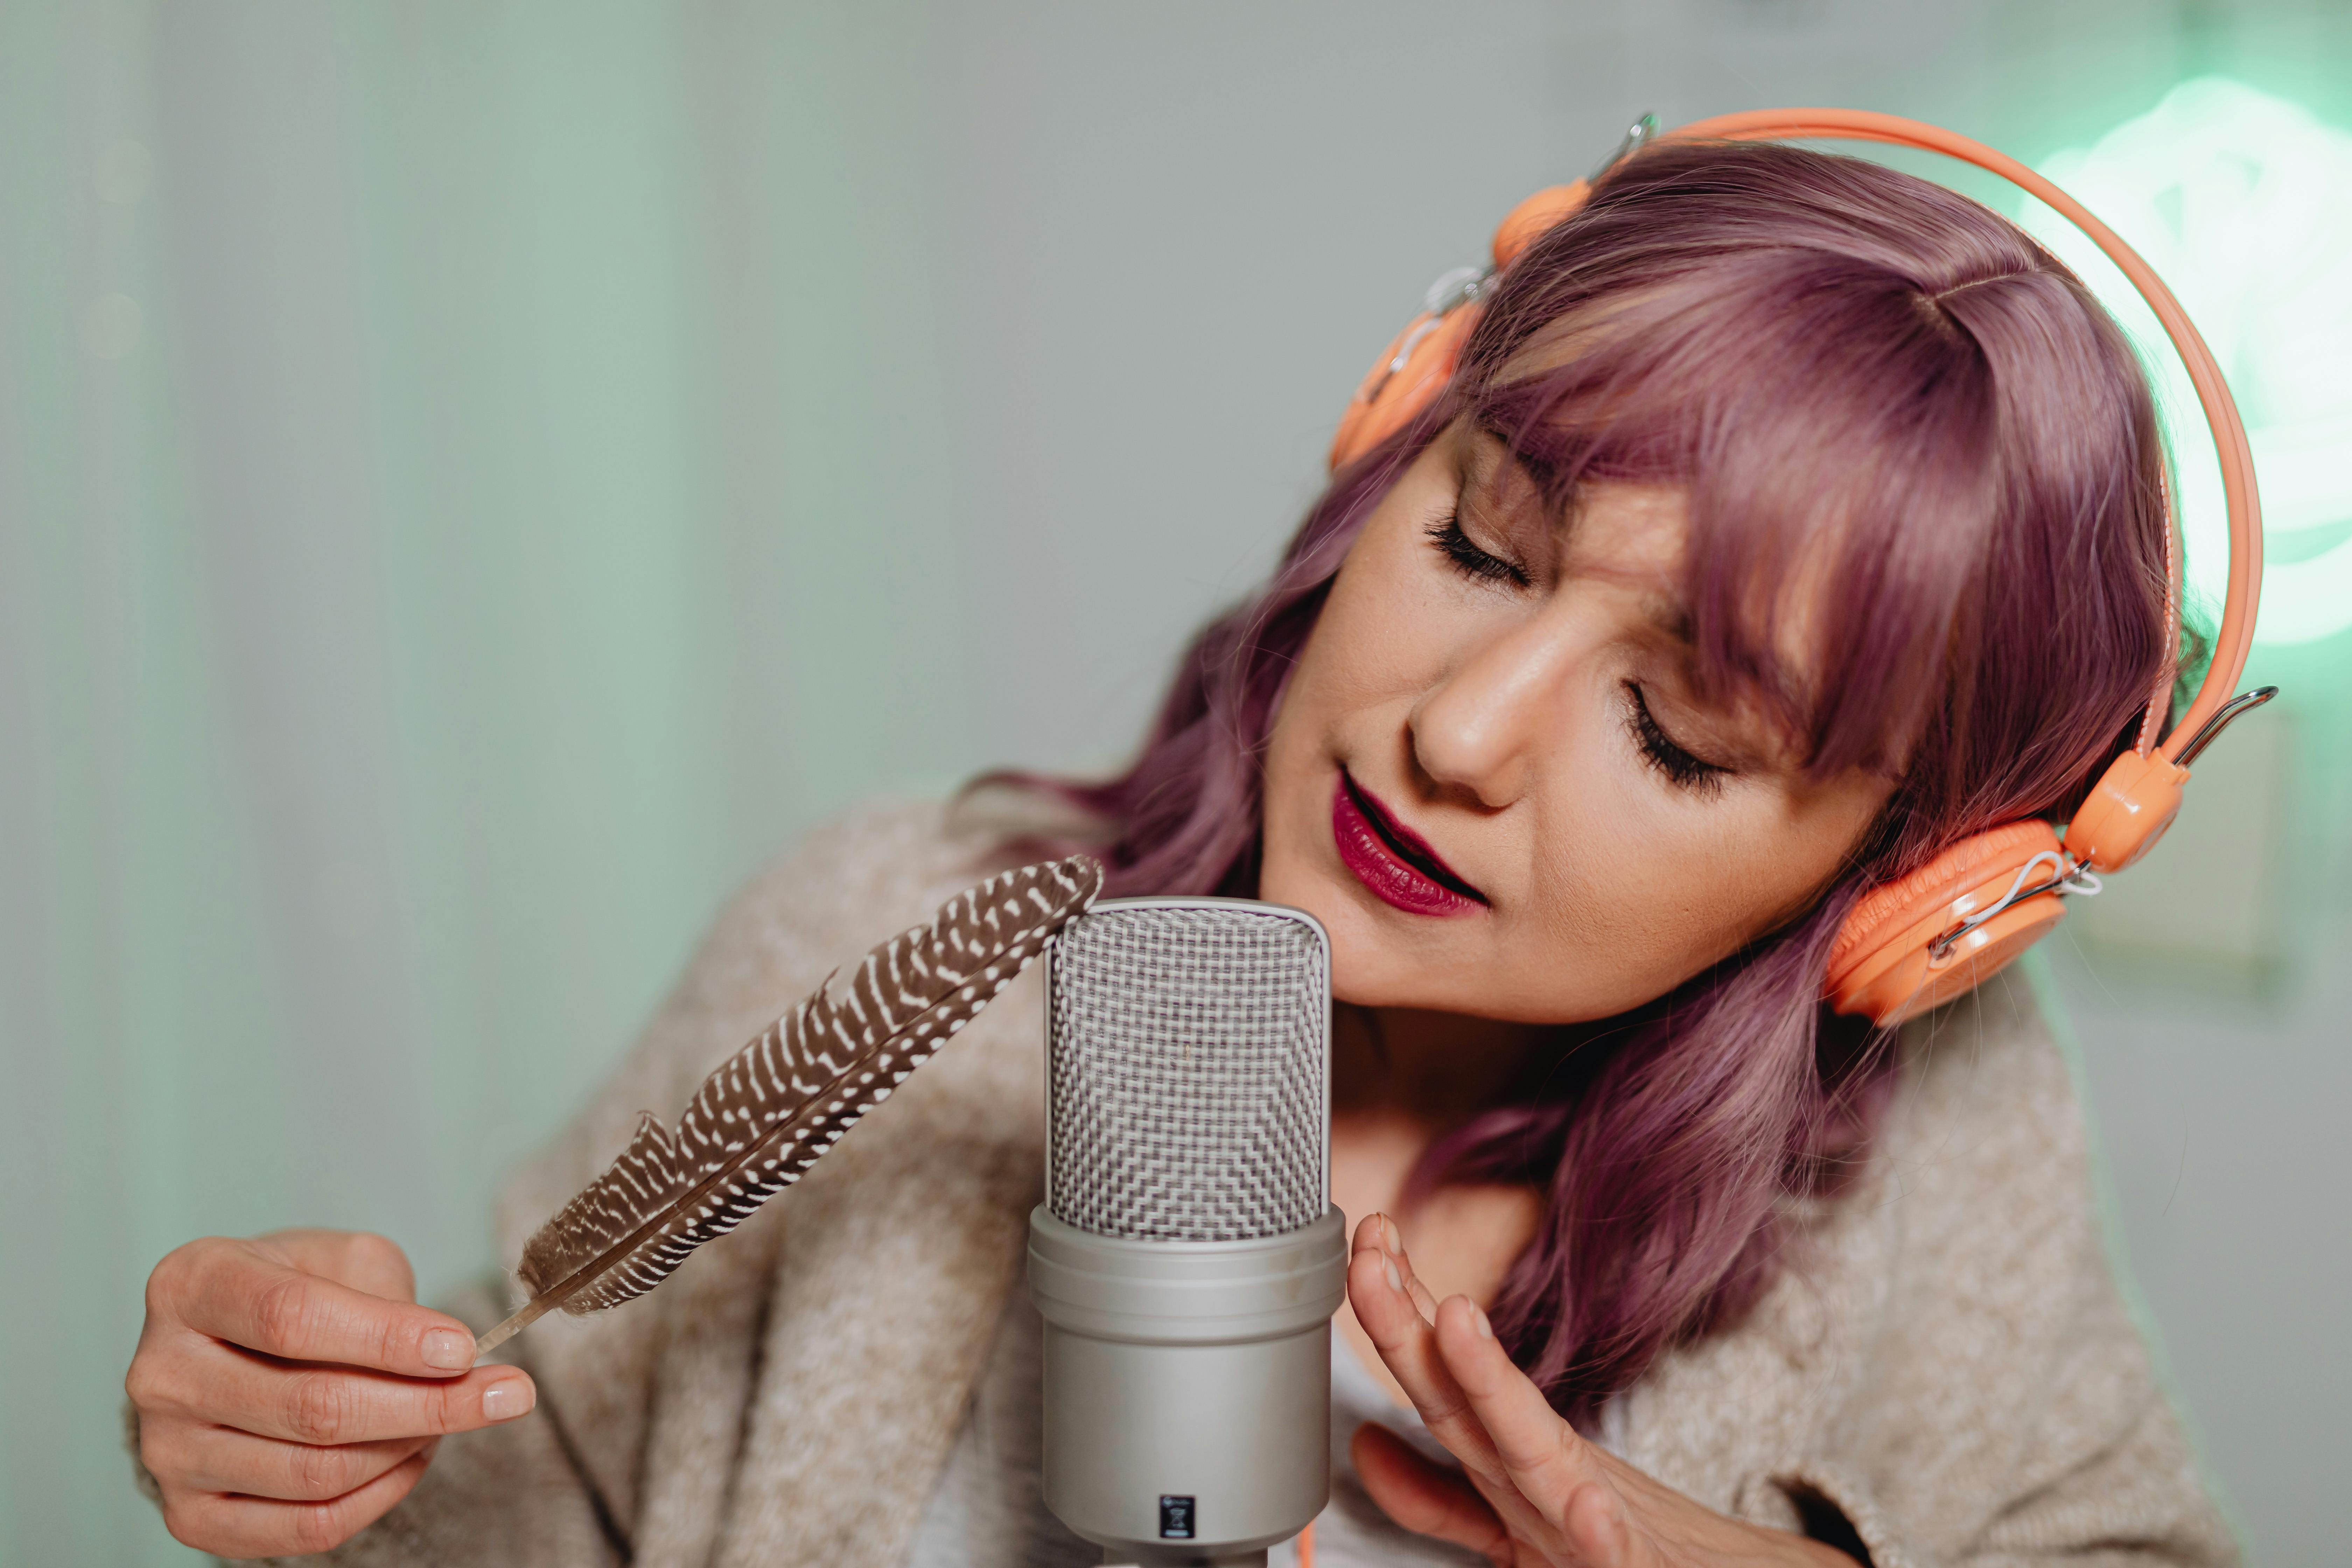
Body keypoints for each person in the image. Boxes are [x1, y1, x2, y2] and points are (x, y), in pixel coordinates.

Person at [124, 137, 2239, 1567]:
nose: (1454, 732)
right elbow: (526, 1501)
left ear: (1899, 896)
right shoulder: (880, 929)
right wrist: (309, 1458)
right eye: (1479, 544)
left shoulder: (1936, 1147)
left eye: (1678, 733)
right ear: (1386, 447)